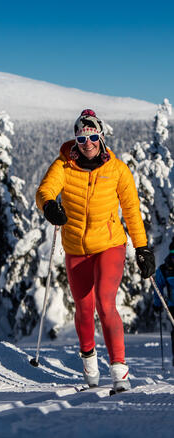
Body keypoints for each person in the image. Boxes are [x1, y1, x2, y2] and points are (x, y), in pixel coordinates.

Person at [36, 109, 155, 392]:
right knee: (84, 307)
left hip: (109, 244)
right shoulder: (63, 165)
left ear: (100, 136)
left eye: (91, 136)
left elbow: (132, 210)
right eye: (80, 137)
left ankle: (119, 372)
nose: (86, 142)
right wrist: (50, 206)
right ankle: (89, 364)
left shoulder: (117, 169)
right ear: (75, 139)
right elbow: (44, 191)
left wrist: (142, 248)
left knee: (104, 301)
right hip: (76, 247)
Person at [153, 237, 174, 366]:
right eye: (172, 253)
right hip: (173, 306)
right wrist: (157, 304)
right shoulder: (164, 269)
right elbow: (157, 288)